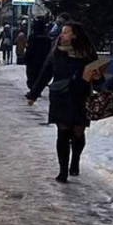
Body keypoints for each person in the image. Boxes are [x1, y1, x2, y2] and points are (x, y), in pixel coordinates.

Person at [26, 22, 104, 183]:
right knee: (62, 133)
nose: (62, 35)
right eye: (62, 32)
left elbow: (98, 79)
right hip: (60, 97)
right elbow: (46, 73)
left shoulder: (87, 53)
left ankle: (75, 160)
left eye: (66, 32)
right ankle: (62, 171)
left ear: (75, 35)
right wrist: (34, 94)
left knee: (78, 132)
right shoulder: (56, 52)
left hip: (80, 96)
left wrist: (97, 77)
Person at [23, 19, 53, 88]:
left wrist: (26, 58)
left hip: (32, 61)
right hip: (43, 61)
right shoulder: (47, 39)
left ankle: (32, 89)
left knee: (32, 76)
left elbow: (29, 49)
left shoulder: (33, 37)